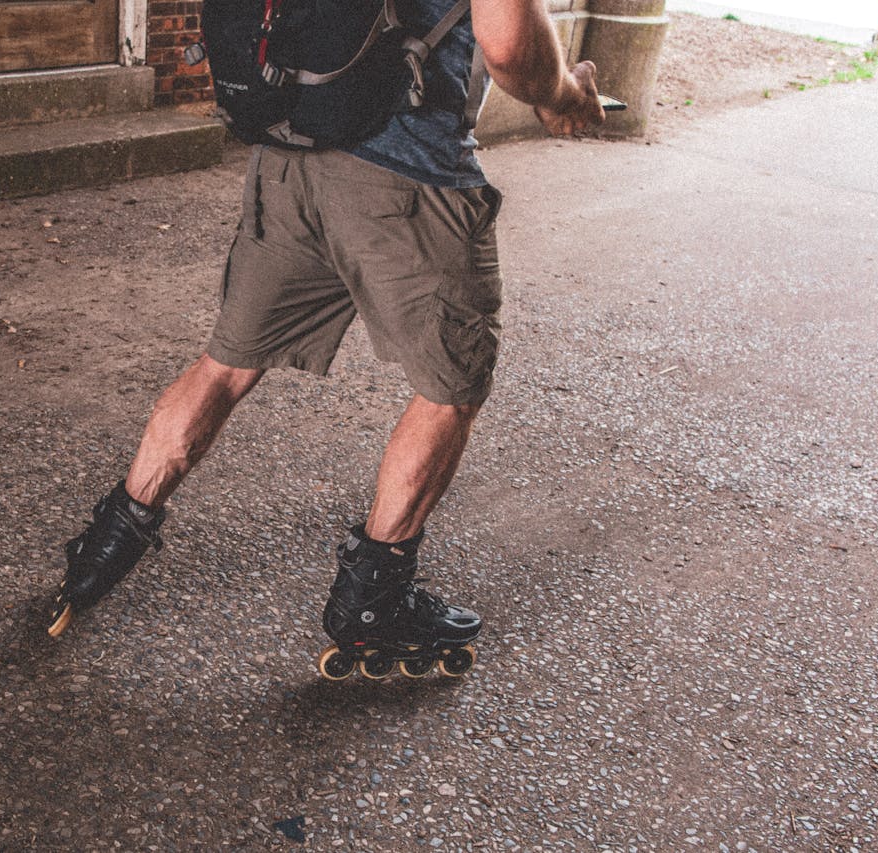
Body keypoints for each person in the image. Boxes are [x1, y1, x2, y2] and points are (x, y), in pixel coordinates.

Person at [44, 0, 606, 679]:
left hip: (290, 157)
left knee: (225, 365)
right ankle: (374, 606)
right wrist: (567, 96)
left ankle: (99, 554)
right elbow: (511, 47)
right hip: (410, 179)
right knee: (450, 390)